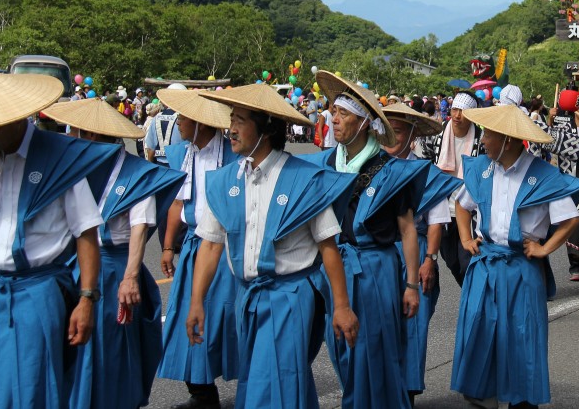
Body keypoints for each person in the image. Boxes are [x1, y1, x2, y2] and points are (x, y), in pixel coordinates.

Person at [185, 83, 360, 409]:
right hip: (246, 297)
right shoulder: (225, 181)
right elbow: (210, 246)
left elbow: (328, 246)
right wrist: (196, 302)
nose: (231, 129)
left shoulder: (304, 179)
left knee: (273, 383)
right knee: (266, 379)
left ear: (265, 128)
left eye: (239, 121)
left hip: (288, 297)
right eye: (231, 119)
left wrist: (341, 306)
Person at [0, 73, 119, 407]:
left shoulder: (58, 156)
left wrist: (87, 299)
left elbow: (85, 231)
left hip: (35, 293)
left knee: (30, 393)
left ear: (12, 120)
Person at [44, 97, 186, 409]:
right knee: (74, 344)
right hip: (79, 265)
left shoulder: (136, 174)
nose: (73, 139)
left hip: (118, 269)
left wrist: (131, 277)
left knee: (112, 348)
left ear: (93, 136)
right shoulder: (79, 169)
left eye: (78, 133)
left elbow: (139, 226)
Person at [302, 71, 427, 409]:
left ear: (364, 123)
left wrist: (411, 284)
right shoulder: (328, 162)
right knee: (341, 347)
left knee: (373, 351)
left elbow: (407, 229)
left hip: (375, 268)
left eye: (343, 114)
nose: (335, 119)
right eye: (334, 112)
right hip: (335, 265)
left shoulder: (389, 168)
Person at [451, 104, 579, 408]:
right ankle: (483, 396)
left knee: (521, 339)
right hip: (485, 264)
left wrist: (544, 248)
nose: (483, 140)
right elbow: (462, 205)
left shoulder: (543, 174)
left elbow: (570, 219)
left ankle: (521, 401)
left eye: (488, 134)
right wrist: (464, 237)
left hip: (521, 268)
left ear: (508, 140)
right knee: (479, 331)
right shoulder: (484, 169)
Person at [156, 88, 240, 409]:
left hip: (225, 247)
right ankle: (202, 393)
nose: (177, 123)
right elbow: (178, 202)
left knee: (224, 315)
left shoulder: (232, 156)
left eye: (183, 118)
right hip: (194, 245)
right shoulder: (182, 153)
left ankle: (249, 384)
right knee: (185, 317)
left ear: (201, 124)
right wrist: (167, 246)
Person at [381, 102, 458, 404]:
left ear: (412, 135)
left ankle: (408, 391)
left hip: (419, 251)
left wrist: (430, 260)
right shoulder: (372, 166)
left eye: (397, 132)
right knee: (382, 322)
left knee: (414, 324)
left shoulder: (426, 172)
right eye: (386, 131)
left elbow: (437, 220)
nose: (390, 138)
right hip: (382, 253)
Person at [416, 91, 483, 285]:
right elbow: (425, 161)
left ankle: (475, 296)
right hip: (442, 207)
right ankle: (471, 293)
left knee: (467, 260)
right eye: (454, 110)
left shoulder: (481, 139)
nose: (457, 115)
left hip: (468, 208)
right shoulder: (437, 134)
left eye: (462, 111)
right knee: (451, 260)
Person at [145, 84, 186, 165]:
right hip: (180, 164)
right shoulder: (184, 118)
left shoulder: (156, 118)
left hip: (159, 164)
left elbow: (150, 148)